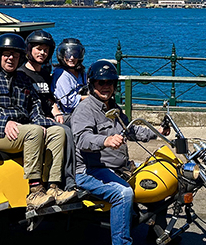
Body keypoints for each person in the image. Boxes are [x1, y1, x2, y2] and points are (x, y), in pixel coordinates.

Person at [0, 33, 76, 210]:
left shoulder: (24, 80)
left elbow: (34, 108)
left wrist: (44, 123)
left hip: (22, 130)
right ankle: (35, 191)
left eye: (15, 56)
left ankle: (53, 186)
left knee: (58, 131)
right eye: (6, 55)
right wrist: (2, 124)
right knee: (34, 132)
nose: (11, 59)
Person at [72, 61, 169, 245]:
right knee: (122, 193)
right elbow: (82, 139)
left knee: (160, 180)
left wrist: (157, 132)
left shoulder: (113, 108)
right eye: (101, 82)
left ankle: (157, 234)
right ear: (92, 84)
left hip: (119, 168)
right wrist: (105, 141)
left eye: (110, 82)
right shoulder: (85, 110)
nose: (106, 86)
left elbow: (130, 131)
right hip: (90, 170)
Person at [19, 29, 77, 191]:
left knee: (80, 121)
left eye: (46, 50)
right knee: (65, 131)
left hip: (50, 117)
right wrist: (45, 120)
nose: (42, 53)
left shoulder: (44, 73)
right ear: (29, 50)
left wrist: (57, 112)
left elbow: (50, 99)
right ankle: (68, 179)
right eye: (38, 49)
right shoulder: (22, 74)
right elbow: (24, 107)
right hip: (35, 121)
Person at [51, 38, 87, 122]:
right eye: (68, 55)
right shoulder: (62, 74)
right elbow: (68, 102)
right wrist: (90, 98)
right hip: (67, 115)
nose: (71, 58)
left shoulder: (81, 72)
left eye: (75, 55)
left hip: (82, 110)